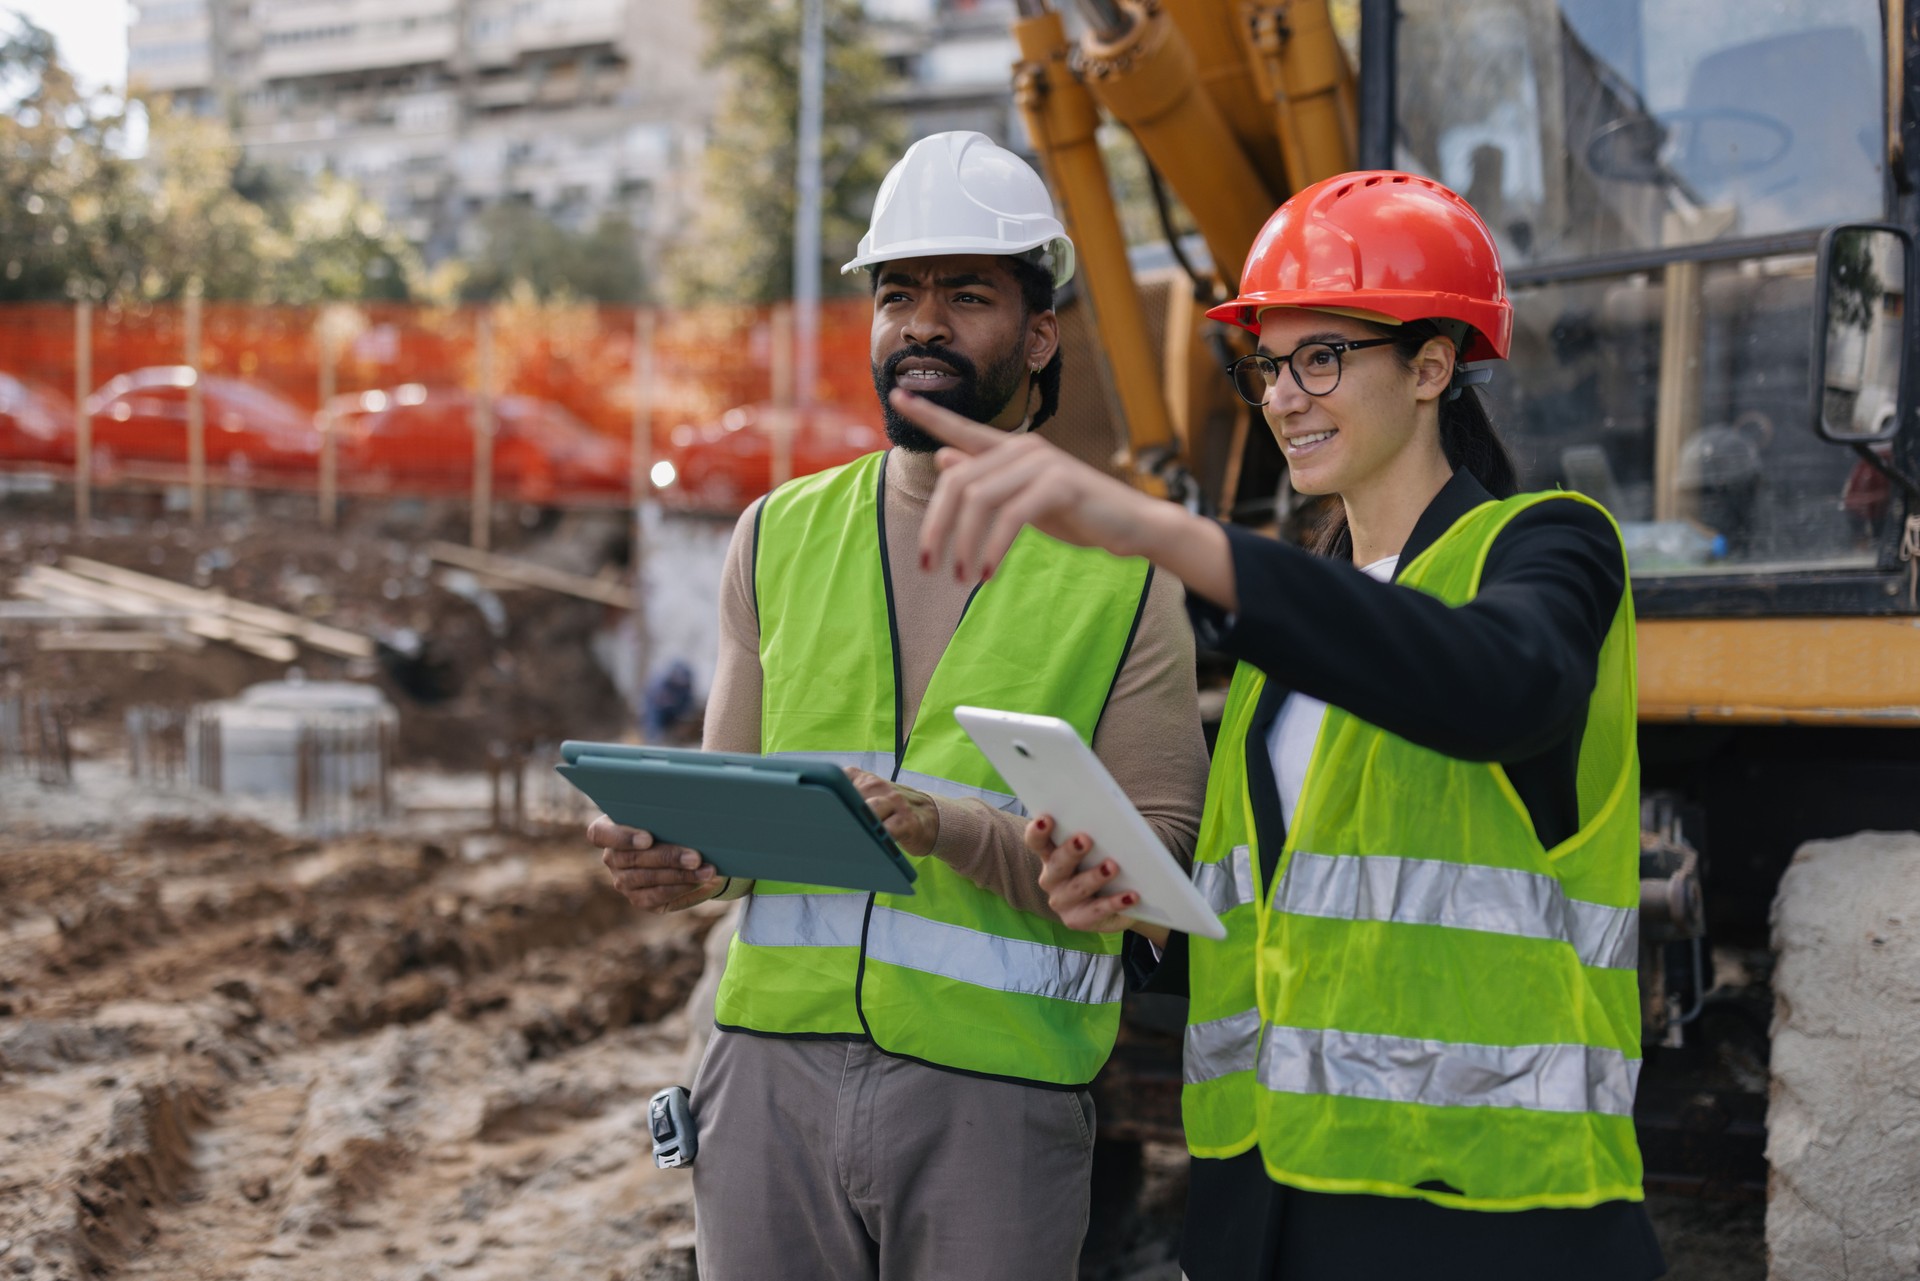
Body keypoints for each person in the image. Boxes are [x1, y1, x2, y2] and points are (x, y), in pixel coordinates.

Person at [891, 170, 1667, 1281]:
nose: (1287, 398)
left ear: (1434, 365)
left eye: (1323, 357)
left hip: (1487, 1215)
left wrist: (1163, 533)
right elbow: (1281, 931)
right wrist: (1132, 912)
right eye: (1269, 366)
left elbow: (1493, 687)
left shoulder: (1546, 547)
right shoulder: (1284, 640)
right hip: (1270, 1209)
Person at [588, 131, 1207, 1280]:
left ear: (1038, 332)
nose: (922, 324)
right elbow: (733, 835)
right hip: (768, 1074)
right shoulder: (776, 536)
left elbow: (1157, 876)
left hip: (998, 1096)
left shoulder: (1127, 569)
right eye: (895, 295)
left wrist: (947, 827)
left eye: (966, 295)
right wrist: (681, 864)